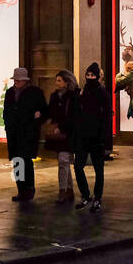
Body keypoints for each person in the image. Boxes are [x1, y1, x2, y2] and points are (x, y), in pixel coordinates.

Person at [3, 68, 47, 201]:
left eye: (19, 80)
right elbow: (6, 111)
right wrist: (8, 125)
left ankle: (29, 189)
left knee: (26, 161)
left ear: (25, 81)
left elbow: (44, 110)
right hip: (14, 132)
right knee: (17, 161)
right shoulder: (10, 92)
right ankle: (21, 190)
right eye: (15, 80)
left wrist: (37, 118)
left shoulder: (34, 92)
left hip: (28, 132)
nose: (16, 82)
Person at [75, 63, 111, 211]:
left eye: (92, 75)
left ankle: (97, 197)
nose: (89, 78)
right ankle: (85, 194)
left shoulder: (102, 93)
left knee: (99, 169)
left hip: (97, 137)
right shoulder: (83, 91)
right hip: (83, 135)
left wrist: (104, 138)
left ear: (97, 76)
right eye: (88, 75)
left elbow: (106, 116)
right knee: (78, 166)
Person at [47, 71, 79, 204]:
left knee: (63, 161)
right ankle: (69, 190)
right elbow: (51, 112)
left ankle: (62, 191)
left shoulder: (74, 96)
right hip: (59, 134)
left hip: (70, 133)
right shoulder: (55, 96)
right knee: (64, 162)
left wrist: (62, 126)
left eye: (59, 80)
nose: (57, 83)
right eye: (56, 80)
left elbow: (74, 116)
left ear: (67, 82)